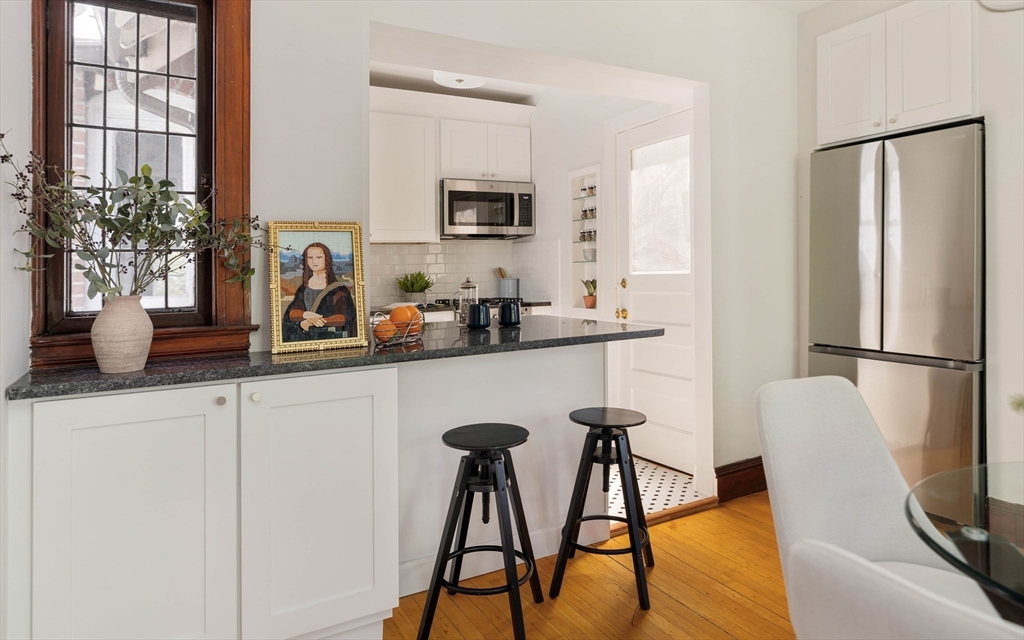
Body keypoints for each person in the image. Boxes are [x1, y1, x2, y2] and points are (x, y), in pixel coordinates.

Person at [282, 242, 357, 341]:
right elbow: (291, 313)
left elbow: (346, 316)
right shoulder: (304, 288)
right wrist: (305, 315)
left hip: (332, 339)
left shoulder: (339, 290)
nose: (314, 261)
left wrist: (315, 322)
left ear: (326, 259)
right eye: (310, 258)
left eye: (318, 257)